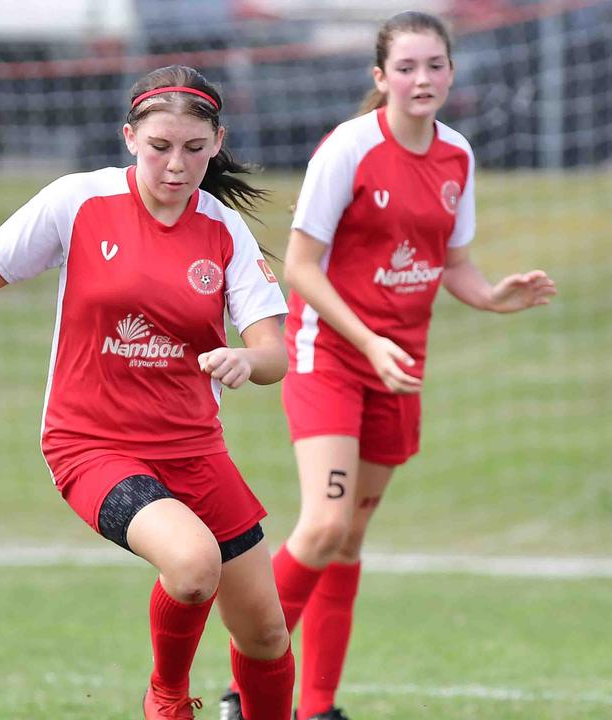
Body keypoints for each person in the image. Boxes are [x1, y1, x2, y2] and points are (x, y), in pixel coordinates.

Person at [219, 12, 557, 720]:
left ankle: (317, 708)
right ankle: (243, 689)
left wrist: (495, 298)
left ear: (451, 74)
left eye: (435, 65)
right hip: (331, 356)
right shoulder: (348, 148)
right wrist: (368, 341)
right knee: (323, 525)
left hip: (399, 366)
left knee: (349, 539)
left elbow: (454, 264)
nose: (422, 79)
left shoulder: (457, 156)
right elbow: (303, 270)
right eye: (406, 67)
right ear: (381, 78)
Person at [0, 65, 296, 720]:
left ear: (217, 144)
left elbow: (276, 355)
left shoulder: (222, 231)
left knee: (267, 635)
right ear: (130, 137)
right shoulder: (78, 201)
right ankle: (166, 699)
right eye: (160, 147)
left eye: (193, 149)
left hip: (194, 451)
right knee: (192, 566)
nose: (176, 166)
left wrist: (249, 357)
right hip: (91, 446)